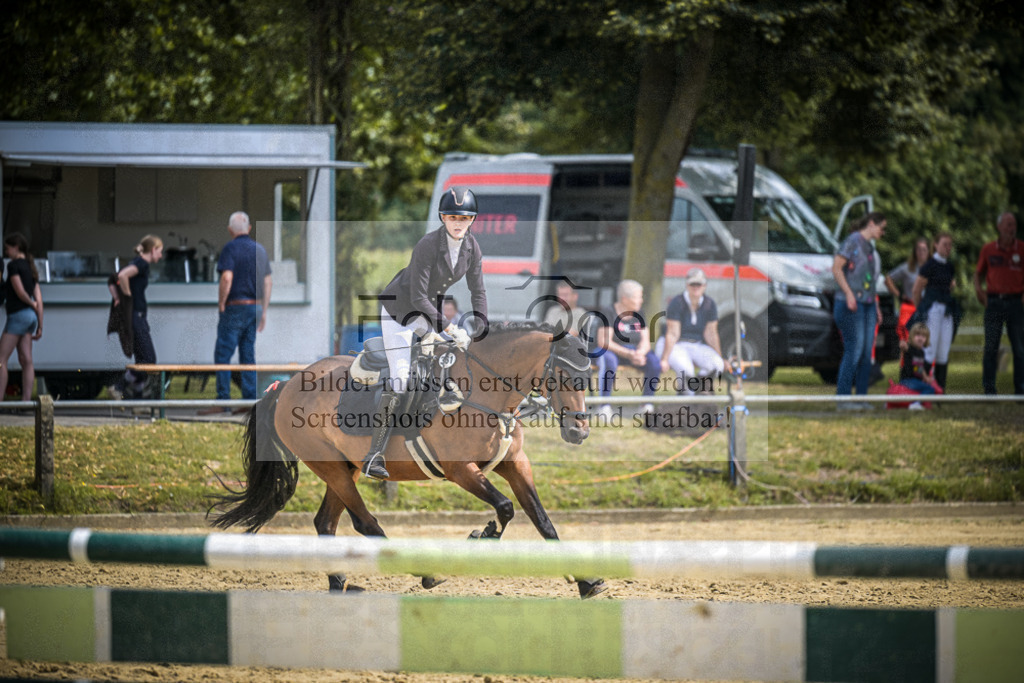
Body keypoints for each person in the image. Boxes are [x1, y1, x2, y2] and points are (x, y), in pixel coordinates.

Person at [364, 186, 485, 479]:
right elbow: (417, 299)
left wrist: (482, 328)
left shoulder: (472, 247)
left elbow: (477, 289)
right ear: (443, 217)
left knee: (449, 361)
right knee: (402, 377)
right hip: (400, 312)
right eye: (453, 216)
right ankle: (374, 455)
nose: (459, 222)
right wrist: (450, 327)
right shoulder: (427, 245)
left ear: (472, 220)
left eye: (465, 218)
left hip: (428, 311)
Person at [200, 212, 272, 415]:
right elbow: (268, 282)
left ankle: (223, 401)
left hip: (235, 307)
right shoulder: (260, 250)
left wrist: (221, 303)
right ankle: (249, 401)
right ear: (248, 228)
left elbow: (226, 278)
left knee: (223, 354)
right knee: (247, 354)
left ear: (231, 230)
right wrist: (264, 311)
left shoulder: (230, 248)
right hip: (255, 307)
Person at [832, 212, 886, 410]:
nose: (883, 232)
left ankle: (861, 397)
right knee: (853, 351)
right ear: (871, 223)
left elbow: (869, 282)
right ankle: (843, 400)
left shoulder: (871, 248)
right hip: (850, 304)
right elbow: (837, 268)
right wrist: (848, 294)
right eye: (882, 227)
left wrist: (876, 306)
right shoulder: (852, 241)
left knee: (866, 353)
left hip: (868, 304)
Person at [973, 212, 1024, 395]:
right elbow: (977, 273)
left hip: (1016, 303)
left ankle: (1020, 390)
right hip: (994, 302)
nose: (1012, 228)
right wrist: (980, 292)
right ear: (999, 227)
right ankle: (989, 389)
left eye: (1014, 224)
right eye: (1009, 224)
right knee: (991, 347)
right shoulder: (988, 249)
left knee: (1019, 348)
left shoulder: (1022, 249)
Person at [594, 279, 661, 417]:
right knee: (609, 362)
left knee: (654, 363)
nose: (641, 300)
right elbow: (604, 342)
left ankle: (646, 404)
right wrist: (630, 354)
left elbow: (645, 340)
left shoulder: (639, 313)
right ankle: (604, 406)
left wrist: (640, 353)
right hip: (611, 351)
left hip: (634, 352)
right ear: (625, 299)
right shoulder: (608, 312)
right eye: (638, 297)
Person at [108, 234, 163, 398]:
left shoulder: (137, 262)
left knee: (141, 361)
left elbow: (111, 280)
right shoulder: (142, 263)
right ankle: (119, 386)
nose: (160, 255)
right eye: (160, 251)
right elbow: (122, 275)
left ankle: (138, 402)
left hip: (137, 316)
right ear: (153, 250)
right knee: (149, 360)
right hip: (136, 316)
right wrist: (127, 296)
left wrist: (118, 298)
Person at [655, 268, 724, 395]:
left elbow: (711, 334)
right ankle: (687, 396)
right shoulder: (677, 302)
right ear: (687, 285)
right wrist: (664, 359)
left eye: (699, 284)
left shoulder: (710, 304)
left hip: (696, 344)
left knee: (717, 365)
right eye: (693, 284)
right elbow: (672, 334)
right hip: (675, 344)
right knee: (686, 370)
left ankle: (700, 390)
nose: (696, 287)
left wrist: (720, 356)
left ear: (705, 286)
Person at [912, 232, 959, 391]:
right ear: (936, 245)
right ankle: (923, 387)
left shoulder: (950, 266)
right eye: (944, 244)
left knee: (943, 349)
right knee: (929, 348)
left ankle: (940, 390)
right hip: (933, 309)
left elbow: (950, 284)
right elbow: (916, 290)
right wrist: (921, 311)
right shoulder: (929, 266)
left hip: (946, 310)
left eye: (949, 245)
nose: (948, 248)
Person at [0, 233, 44, 403]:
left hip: (18, 315)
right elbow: (39, 299)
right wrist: (40, 324)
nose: (6, 251)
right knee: (26, 360)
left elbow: (19, 291)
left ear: (15, 247)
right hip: (31, 319)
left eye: (7, 248)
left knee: (1, 359)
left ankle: (0, 400)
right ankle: (26, 402)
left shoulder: (13, 266)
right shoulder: (31, 268)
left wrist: (29, 303)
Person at [885, 237, 931, 348]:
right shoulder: (907, 268)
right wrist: (898, 294)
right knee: (906, 342)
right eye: (919, 249)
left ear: (929, 251)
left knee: (926, 341)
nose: (921, 252)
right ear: (915, 252)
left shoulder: (933, 268)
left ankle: (925, 365)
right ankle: (907, 364)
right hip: (909, 307)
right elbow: (888, 279)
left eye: (924, 249)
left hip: (927, 308)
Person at [898, 322, 942, 409]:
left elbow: (919, 368)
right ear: (911, 336)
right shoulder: (910, 348)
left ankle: (919, 402)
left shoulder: (921, 352)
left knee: (929, 386)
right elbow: (904, 347)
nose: (920, 338)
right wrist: (903, 345)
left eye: (923, 336)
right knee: (930, 389)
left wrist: (926, 377)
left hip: (916, 380)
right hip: (907, 380)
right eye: (917, 335)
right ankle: (916, 403)